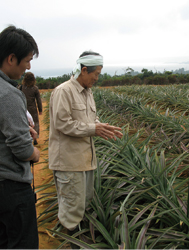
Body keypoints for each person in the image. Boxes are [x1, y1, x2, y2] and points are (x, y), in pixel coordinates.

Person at [49, 51, 123, 237]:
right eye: (96, 73)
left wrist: (100, 126)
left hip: (85, 160)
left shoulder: (88, 93)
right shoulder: (63, 91)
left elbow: (91, 119)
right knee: (72, 208)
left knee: (84, 203)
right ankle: (73, 242)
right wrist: (93, 129)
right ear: (83, 70)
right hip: (69, 162)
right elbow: (62, 123)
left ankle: (80, 238)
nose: (97, 78)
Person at [0, 25, 40, 249]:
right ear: (10, 58)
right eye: (27, 60)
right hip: (11, 186)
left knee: (0, 242)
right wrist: (34, 152)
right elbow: (22, 150)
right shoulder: (7, 93)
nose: (28, 66)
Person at [21, 72, 42, 145]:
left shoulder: (21, 88)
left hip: (23, 108)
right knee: (34, 123)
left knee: (25, 123)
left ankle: (27, 138)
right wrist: (40, 110)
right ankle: (35, 138)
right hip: (33, 109)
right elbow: (38, 100)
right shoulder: (35, 88)